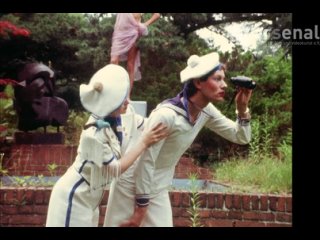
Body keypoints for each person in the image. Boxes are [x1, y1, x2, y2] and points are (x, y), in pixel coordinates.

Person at [103, 52, 253, 227]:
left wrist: (242, 109)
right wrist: (140, 211)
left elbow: (241, 136)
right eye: (217, 79)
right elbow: (146, 161)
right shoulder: (166, 115)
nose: (224, 85)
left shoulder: (206, 110)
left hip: (157, 187)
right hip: (130, 184)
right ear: (198, 82)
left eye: (224, 79)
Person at [46, 64, 167, 227]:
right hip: (74, 196)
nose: (127, 101)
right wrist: (144, 142)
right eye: (122, 99)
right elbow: (115, 169)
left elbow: (146, 124)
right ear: (110, 103)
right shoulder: (93, 134)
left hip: (91, 198)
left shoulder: (119, 117)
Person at [110, 13, 161, 96]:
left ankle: (127, 95)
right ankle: (113, 90)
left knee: (130, 65)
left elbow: (157, 15)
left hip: (133, 33)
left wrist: (145, 24)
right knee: (113, 61)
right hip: (119, 32)